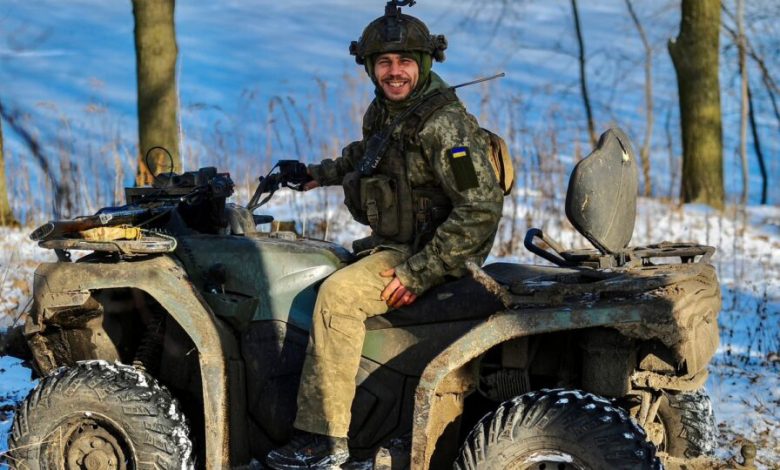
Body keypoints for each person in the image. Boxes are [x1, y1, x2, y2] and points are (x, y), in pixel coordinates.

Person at [266, 6, 503, 469]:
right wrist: (317, 174)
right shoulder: (386, 111)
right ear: (371, 68)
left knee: (338, 296)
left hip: (433, 252)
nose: (395, 72)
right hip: (398, 245)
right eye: (384, 63)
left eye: (405, 62)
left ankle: (322, 438)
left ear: (424, 64)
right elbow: (371, 154)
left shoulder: (445, 126)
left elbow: (480, 208)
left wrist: (419, 272)